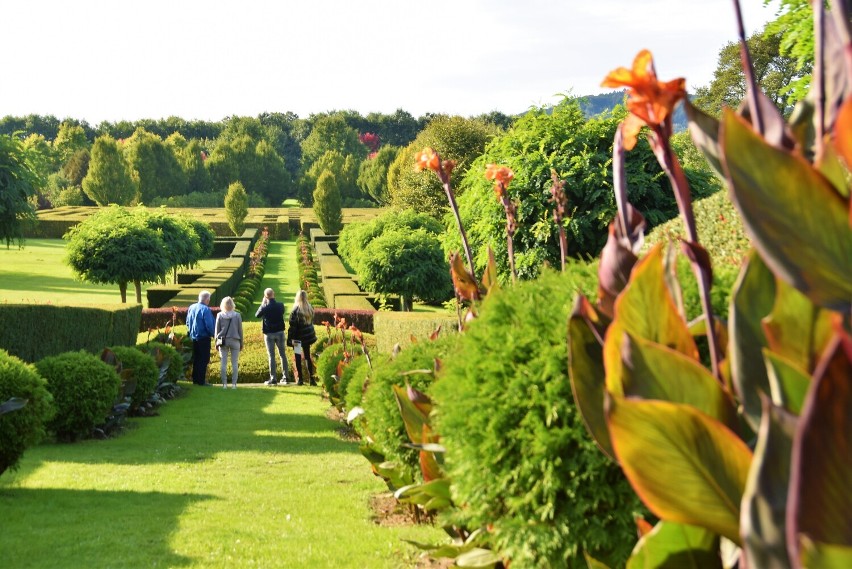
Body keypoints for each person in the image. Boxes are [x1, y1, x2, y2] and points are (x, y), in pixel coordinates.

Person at [255, 287, 289, 386]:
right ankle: (285, 377)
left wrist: (263, 304)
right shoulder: (280, 305)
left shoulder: (265, 307)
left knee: (271, 356)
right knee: (283, 355)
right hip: (280, 332)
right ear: (273, 294)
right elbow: (281, 312)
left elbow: (257, 315)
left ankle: (273, 378)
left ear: (265, 296)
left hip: (269, 333)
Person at [287, 290, 317, 386]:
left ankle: (300, 379)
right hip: (307, 337)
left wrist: (290, 339)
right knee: (307, 356)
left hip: (297, 337)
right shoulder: (310, 308)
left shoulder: (295, 311)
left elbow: (293, 327)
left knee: (298, 357)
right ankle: (312, 379)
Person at [186, 290, 216, 386]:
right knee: (204, 359)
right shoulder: (205, 309)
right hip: (203, 337)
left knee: (196, 358)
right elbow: (209, 325)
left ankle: (195, 380)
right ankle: (201, 381)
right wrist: (213, 334)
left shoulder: (192, 307)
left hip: (194, 337)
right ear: (207, 300)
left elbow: (187, 322)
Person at [215, 296, 244, 389]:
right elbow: (240, 330)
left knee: (223, 363)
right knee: (234, 363)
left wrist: (216, 342)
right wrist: (242, 343)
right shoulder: (237, 315)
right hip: (235, 340)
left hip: (223, 341)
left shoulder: (220, 315)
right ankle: (234, 384)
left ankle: (224, 384)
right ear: (232, 304)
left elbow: (216, 331)